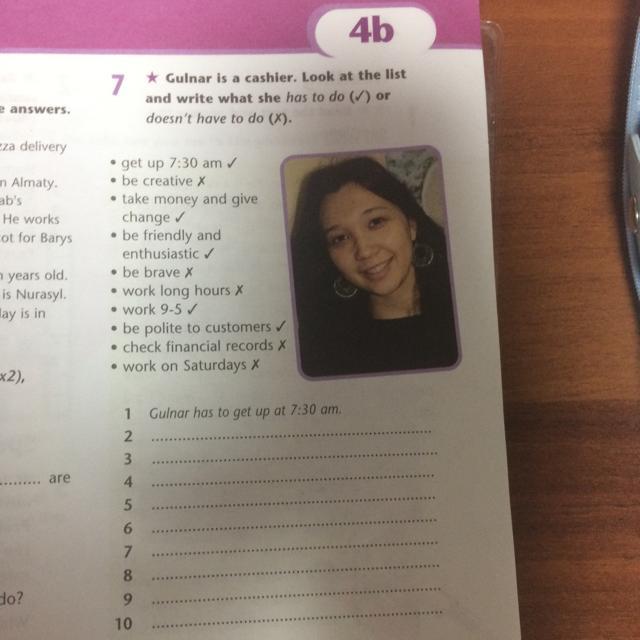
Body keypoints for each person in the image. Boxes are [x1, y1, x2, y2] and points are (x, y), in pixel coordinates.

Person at [290, 156, 458, 377]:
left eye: (375, 222)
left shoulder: (466, 307)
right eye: (340, 238)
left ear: (411, 225)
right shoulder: (322, 354)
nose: (364, 251)